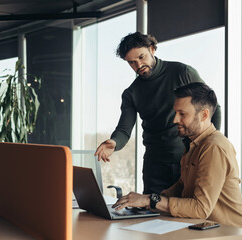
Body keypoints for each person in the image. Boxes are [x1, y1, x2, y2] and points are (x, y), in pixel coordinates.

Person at [94, 32, 221, 194]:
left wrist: (211, 144)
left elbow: (213, 108)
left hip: (187, 161)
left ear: (152, 49)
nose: (139, 65)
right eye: (132, 62)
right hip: (154, 167)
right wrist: (114, 142)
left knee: (189, 214)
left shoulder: (183, 72)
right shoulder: (131, 93)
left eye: (141, 57)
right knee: (152, 215)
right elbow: (124, 130)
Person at [112, 82, 242, 229]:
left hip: (228, 233)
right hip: (201, 229)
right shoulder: (193, 143)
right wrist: (148, 203)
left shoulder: (214, 147)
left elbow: (200, 208)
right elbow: (182, 186)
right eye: (175, 113)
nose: (175, 120)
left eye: (182, 114)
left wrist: (150, 200)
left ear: (204, 115)